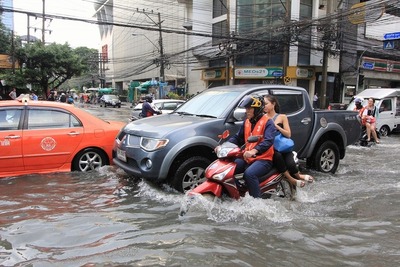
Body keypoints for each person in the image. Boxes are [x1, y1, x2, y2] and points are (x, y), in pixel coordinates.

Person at [227, 95, 276, 198]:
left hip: (263, 159)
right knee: (228, 169)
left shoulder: (268, 122)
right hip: (247, 158)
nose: (246, 111)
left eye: (249, 108)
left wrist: (254, 151)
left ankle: (256, 202)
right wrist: (224, 146)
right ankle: (238, 194)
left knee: (249, 174)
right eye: (246, 108)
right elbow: (237, 137)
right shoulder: (247, 122)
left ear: (257, 109)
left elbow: (268, 141)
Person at [264, 95, 314, 188]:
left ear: (273, 104)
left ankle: (299, 176)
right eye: (263, 104)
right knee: (277, 157)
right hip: (271, 148)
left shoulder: (282, 117)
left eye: (266, 104)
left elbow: (288, 134)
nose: (264, 106)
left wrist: (277, 127)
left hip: (283, 146)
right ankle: (292, 179)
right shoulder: (263, 118)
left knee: (291, 164)